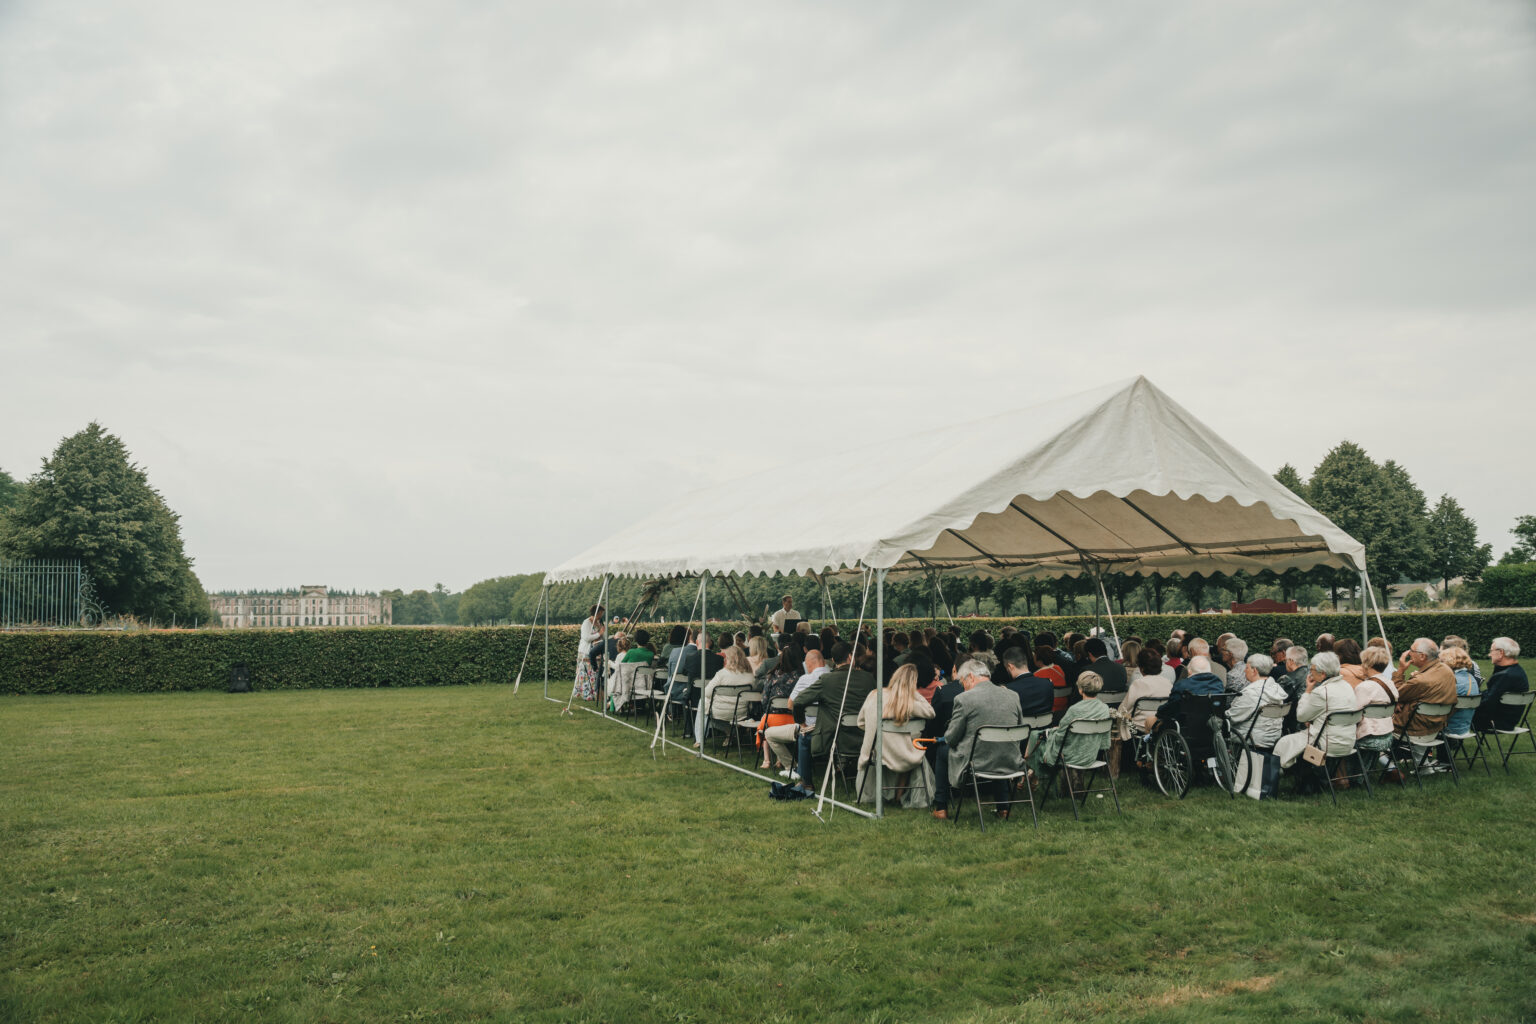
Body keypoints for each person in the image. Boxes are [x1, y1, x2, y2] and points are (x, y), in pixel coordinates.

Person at [931, 659, 1025, 820]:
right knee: (997, 747)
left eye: (962, 682)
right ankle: (1003, 808)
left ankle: (941, 807)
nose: (963, 686)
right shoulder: (1012, 695)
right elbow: (1019, 726)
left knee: (941, 751)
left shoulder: (964, 699)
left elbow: (951, 738)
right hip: (1010, 758)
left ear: (970, 678)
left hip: (977, 760)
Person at [790, 642, 877, 796]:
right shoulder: (868, 678)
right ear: (850, 657)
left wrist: (801, 723)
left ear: (833, 660)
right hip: (866, 736)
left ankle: (807, 783)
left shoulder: (827, 680)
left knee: (803, 737)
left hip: (835, 738)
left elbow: (798, 701)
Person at [854, 664, 936, 807]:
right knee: (909, 747)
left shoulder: (875, 695)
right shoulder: (910, 702)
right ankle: (898, 795)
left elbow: (860, 722)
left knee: (898, 747)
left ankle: (892, 794)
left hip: (881, 752)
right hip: (907, 755)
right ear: (914, 683)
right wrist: (915, 693)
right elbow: (931, 712)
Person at [1274, 651, 1359, 772]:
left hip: (1326, 742)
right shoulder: (1347, 686)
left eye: (1312, 669)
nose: (1310, 672)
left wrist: (1308, 690)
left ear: (1322, 673)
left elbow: (1301, 717)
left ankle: (1282, 772)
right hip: (1348, 741)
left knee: (1284, 741)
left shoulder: (1322, 691)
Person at [1033, 670, 1112, 781]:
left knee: (1036, 738)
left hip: (1070, 756)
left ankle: (1033, 777)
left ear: (1080, 690)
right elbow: (1104, 741)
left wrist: (1052, 732)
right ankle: (1033, 777)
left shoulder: (1074, 710)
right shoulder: (1104, 708)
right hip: (1091, 755)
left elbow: (1060, 738)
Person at [765, 649, 827, 778]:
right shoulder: (832, 676)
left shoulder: (806, 679)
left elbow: (790, 704)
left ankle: (791, 767)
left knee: (769, 734)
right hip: (830, 728)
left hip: (808, 728)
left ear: (809, 664)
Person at [1391, 638, 1457, 739]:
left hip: (1412, 730)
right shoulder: (1447, 670)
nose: (1408, 653)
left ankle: (1382, 754)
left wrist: (1400, 670)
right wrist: (1402, 701)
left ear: (1422, 656)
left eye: (1411, 650)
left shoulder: (1420, 680)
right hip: (1436, 728)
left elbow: (1395, 695)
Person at [694, 644, 757, 747]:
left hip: (720, 711)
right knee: (708, 709)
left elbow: (706, 692)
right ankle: (730, 733)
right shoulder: (750, 676)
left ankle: (700, 739)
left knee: (703, 702)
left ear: (728, 659)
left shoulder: (722, 674)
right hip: (741, 712)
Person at [1225, 653, 1288, 750]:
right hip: (1273, 738)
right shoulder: (1276, 689)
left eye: (1246, 668)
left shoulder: (1252, 693)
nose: (1244, 671)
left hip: (1251, 740)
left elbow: (1232, 717)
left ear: (1254, 671)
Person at [1145, 655, 1224, 732]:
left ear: (1189, 671)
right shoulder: (1218, 684)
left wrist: (1160, 712)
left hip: (1184, 728)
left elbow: (1171, 707)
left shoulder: (1182, 685)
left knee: (1150, 720)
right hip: (1212, 726)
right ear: (1209, 670)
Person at [756, 644, 804, 770]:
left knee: (765, 722)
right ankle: (780, 760)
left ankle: (767, 760)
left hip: (772, 718)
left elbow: (764, 700)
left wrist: (768, 711)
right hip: (795, 719)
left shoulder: (772, 675)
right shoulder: (801, 677)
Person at [1353, 646, 1400, 766]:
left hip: (1368, 737)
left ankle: (1346, 777)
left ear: (1366, 664)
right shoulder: (1390, 683)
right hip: (1388, 736)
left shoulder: (1364, 687)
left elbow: (1353, 714)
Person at [1472, 637, 1528, 732]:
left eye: (1491, 651)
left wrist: (1467, 705)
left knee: (1453, 713)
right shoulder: (1518, 671)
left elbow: (1488, 703)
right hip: (1509, 721)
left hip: (1495, 722)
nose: (1489, 655)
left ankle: (1449, 743)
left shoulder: (1505, 676)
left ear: (1501, 653)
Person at [1117, 647, 1173, 741]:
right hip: (1161, 726)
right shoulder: (1168, 683)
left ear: (1141, 668)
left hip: (1140, 727)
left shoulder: (1138, 683)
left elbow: (1124, 709)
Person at [998, 645, 1053, 719]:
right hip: (1045, 727)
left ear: (1010, 666)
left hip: (1021, 729)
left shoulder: (1008, 690)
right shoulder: (1048, 683)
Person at [1439, 644, 1480, 739]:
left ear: (1449, 662)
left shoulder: (1453, 680)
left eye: (1441, 661)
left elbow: (1435, 701)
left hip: (1449, 728)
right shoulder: (1471, 678)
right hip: (1464, 727)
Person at [572, 604, 605, 702]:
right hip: (586, 651)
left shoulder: (599, 623)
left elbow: (603, 635)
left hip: (597, 652)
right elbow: (586, 637)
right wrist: (599, 634)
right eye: (601, 613)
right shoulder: (586, 622)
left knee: (595, 672)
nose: (602, 615)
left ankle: (596, 692)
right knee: (586, 672)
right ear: (597, 612)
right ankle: (586, 692)